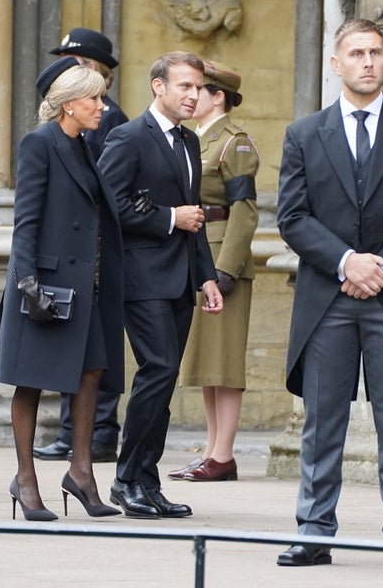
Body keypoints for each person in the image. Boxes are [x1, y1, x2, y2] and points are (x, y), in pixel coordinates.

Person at [275, 18, 383, 570]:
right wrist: (348, 262)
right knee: (323, 421)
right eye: (356, 53)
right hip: (328, 298)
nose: (368, 61)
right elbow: (293, 217)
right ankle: (314, 529)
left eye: (376, 52)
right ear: (336, 63)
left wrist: (380, 269)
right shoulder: (304, 133)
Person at [0, 58, 124, 521]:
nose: (102, 106)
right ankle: (25, 479)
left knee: (91, 373)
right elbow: (25, 219)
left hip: (85, 285)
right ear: (68, 104)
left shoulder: (85, 145)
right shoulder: (39, 144)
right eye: (94, 98)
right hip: (45, 284)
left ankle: (81, 472)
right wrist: (27, 282)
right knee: (30, 383)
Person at [98, 51, 223, 519]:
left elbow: (197, 217)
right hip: (141, 276)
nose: (195, 96)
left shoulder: (189, 142)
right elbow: (109, 204)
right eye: (185, 87)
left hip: (180, 277)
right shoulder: (127, 136)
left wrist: (206, 275)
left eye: (198, 87)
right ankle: (125, 479)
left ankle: (146, 483)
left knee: (164, 379)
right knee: (158, 370)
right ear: (158, 86)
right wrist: (169, 218)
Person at [34, 27, 128, 465]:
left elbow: (109, 188)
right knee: (77, 356)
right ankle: (74, 435)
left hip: (94, 253)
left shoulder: (109, 118)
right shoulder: (52, 135)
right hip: (70, 256)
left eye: (76, 62)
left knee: (96, 356)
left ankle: (97, 435)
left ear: (93, 68)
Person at [168, 61, 259, 482]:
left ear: (217, 95)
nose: (191, 95)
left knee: (224, 362)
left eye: (199, 89)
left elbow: (244, 210)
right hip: (199, 256)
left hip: (223, 259)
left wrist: (226, 268)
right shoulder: (194, 139)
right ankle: (211, 450)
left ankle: (223, 455)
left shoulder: (234, 144)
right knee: (206, 362)